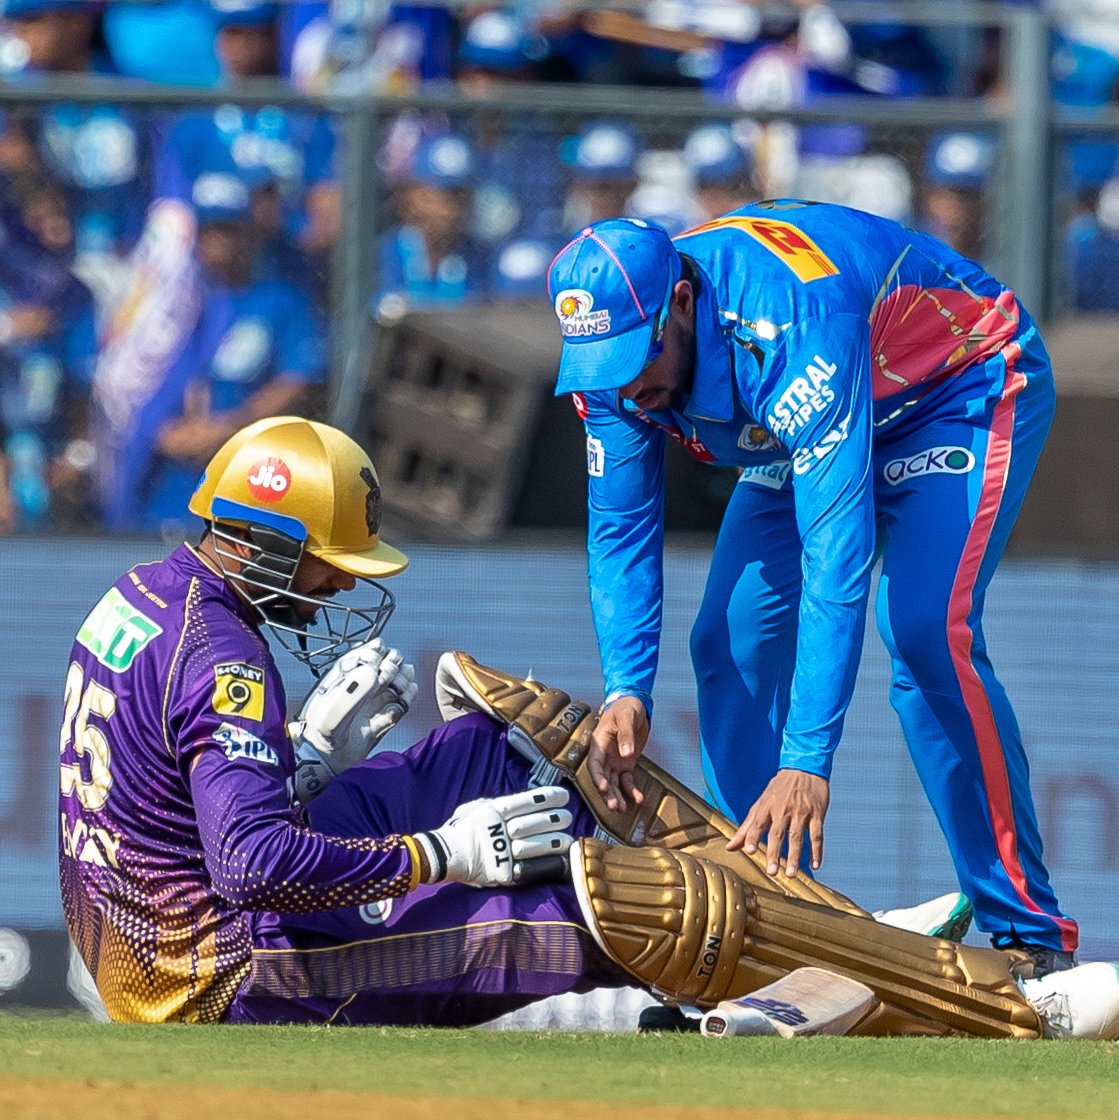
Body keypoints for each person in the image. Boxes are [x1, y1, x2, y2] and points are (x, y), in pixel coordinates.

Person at [57, 413, 1119, 1038]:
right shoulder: (225, 656)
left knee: (483, 748)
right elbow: (247, 868)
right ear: (272, 542)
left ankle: (815, 923)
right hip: (215, 978)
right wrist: (443, 851)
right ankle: (965, 995)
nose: (338, 585)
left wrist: (306, 760)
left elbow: (167, 811)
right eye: (329, 561)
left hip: (155, 932)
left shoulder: (141, 597)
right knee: (584, 911)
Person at [548, 203, 1078, 977]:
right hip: (810, 417)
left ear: (682, 306)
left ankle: (1026, 930)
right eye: (601, 368)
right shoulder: (614, 373)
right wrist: (625, 689)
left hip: (953, 382)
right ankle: (769, 918)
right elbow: (621, 532)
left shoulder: (789, 327)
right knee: (726, 643)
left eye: (633, 359)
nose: (624, 390)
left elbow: (837, 556)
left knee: (926, 632)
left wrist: (805, 762)